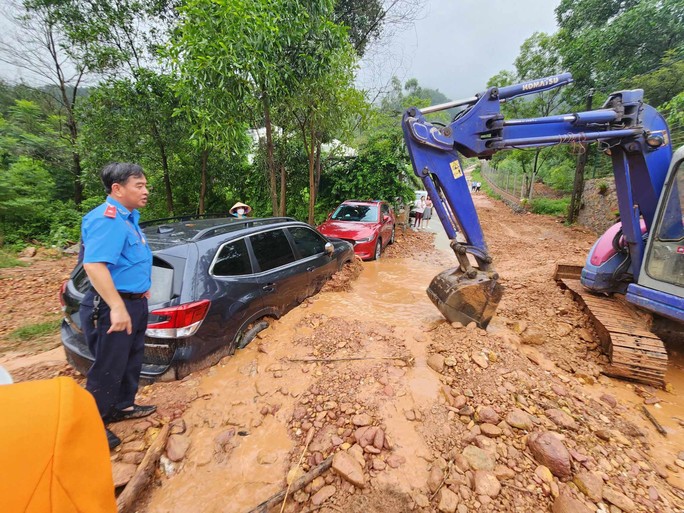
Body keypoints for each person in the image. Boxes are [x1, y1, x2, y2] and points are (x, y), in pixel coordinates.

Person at [79, 162, 156, 450]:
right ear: (117, 189)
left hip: (133, 302)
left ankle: (123, 406)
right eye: (139, 185)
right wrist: (118, 306)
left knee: (131, 359)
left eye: (145, 185)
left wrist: (140, 288)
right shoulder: (108, 219)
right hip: (113, 307)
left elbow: (127, 260)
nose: (146, 191)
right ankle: (93, 425)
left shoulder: (129, 218)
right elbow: (94, 265)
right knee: (108, 367)